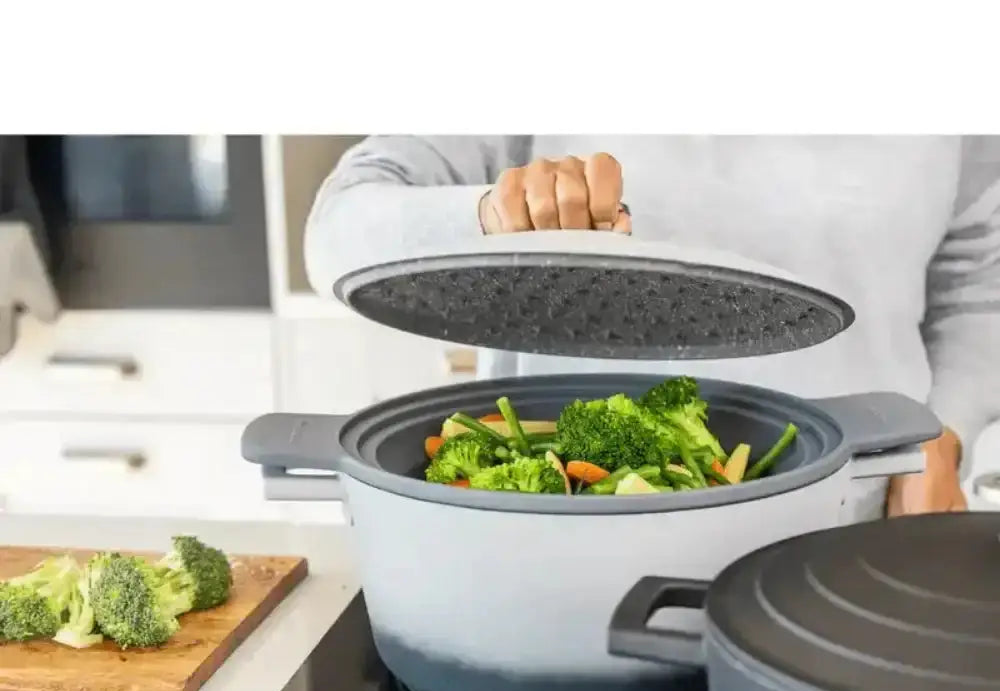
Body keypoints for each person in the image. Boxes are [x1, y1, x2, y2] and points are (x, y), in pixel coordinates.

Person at [304, 136, 1000, 520]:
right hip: (561, 538)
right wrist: (495, 212)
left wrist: (947, 432)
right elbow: (337, 231)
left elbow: (981, 278)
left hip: (858, 528)